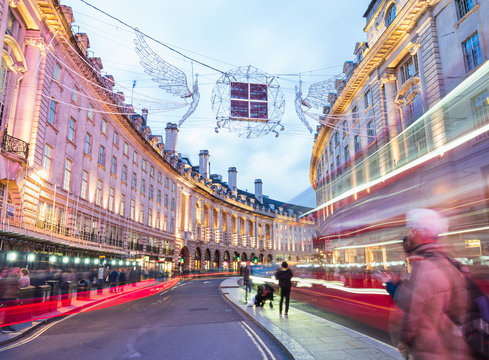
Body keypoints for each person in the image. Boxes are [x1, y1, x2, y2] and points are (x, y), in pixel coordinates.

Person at [380, 209, 472, 360]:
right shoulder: (448, 261)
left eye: (410, 230)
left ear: (418, 232)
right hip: (451, 346)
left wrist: (404, 341)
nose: (408, 235)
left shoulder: (424, 266)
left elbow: (412, 311)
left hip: (432, 349)